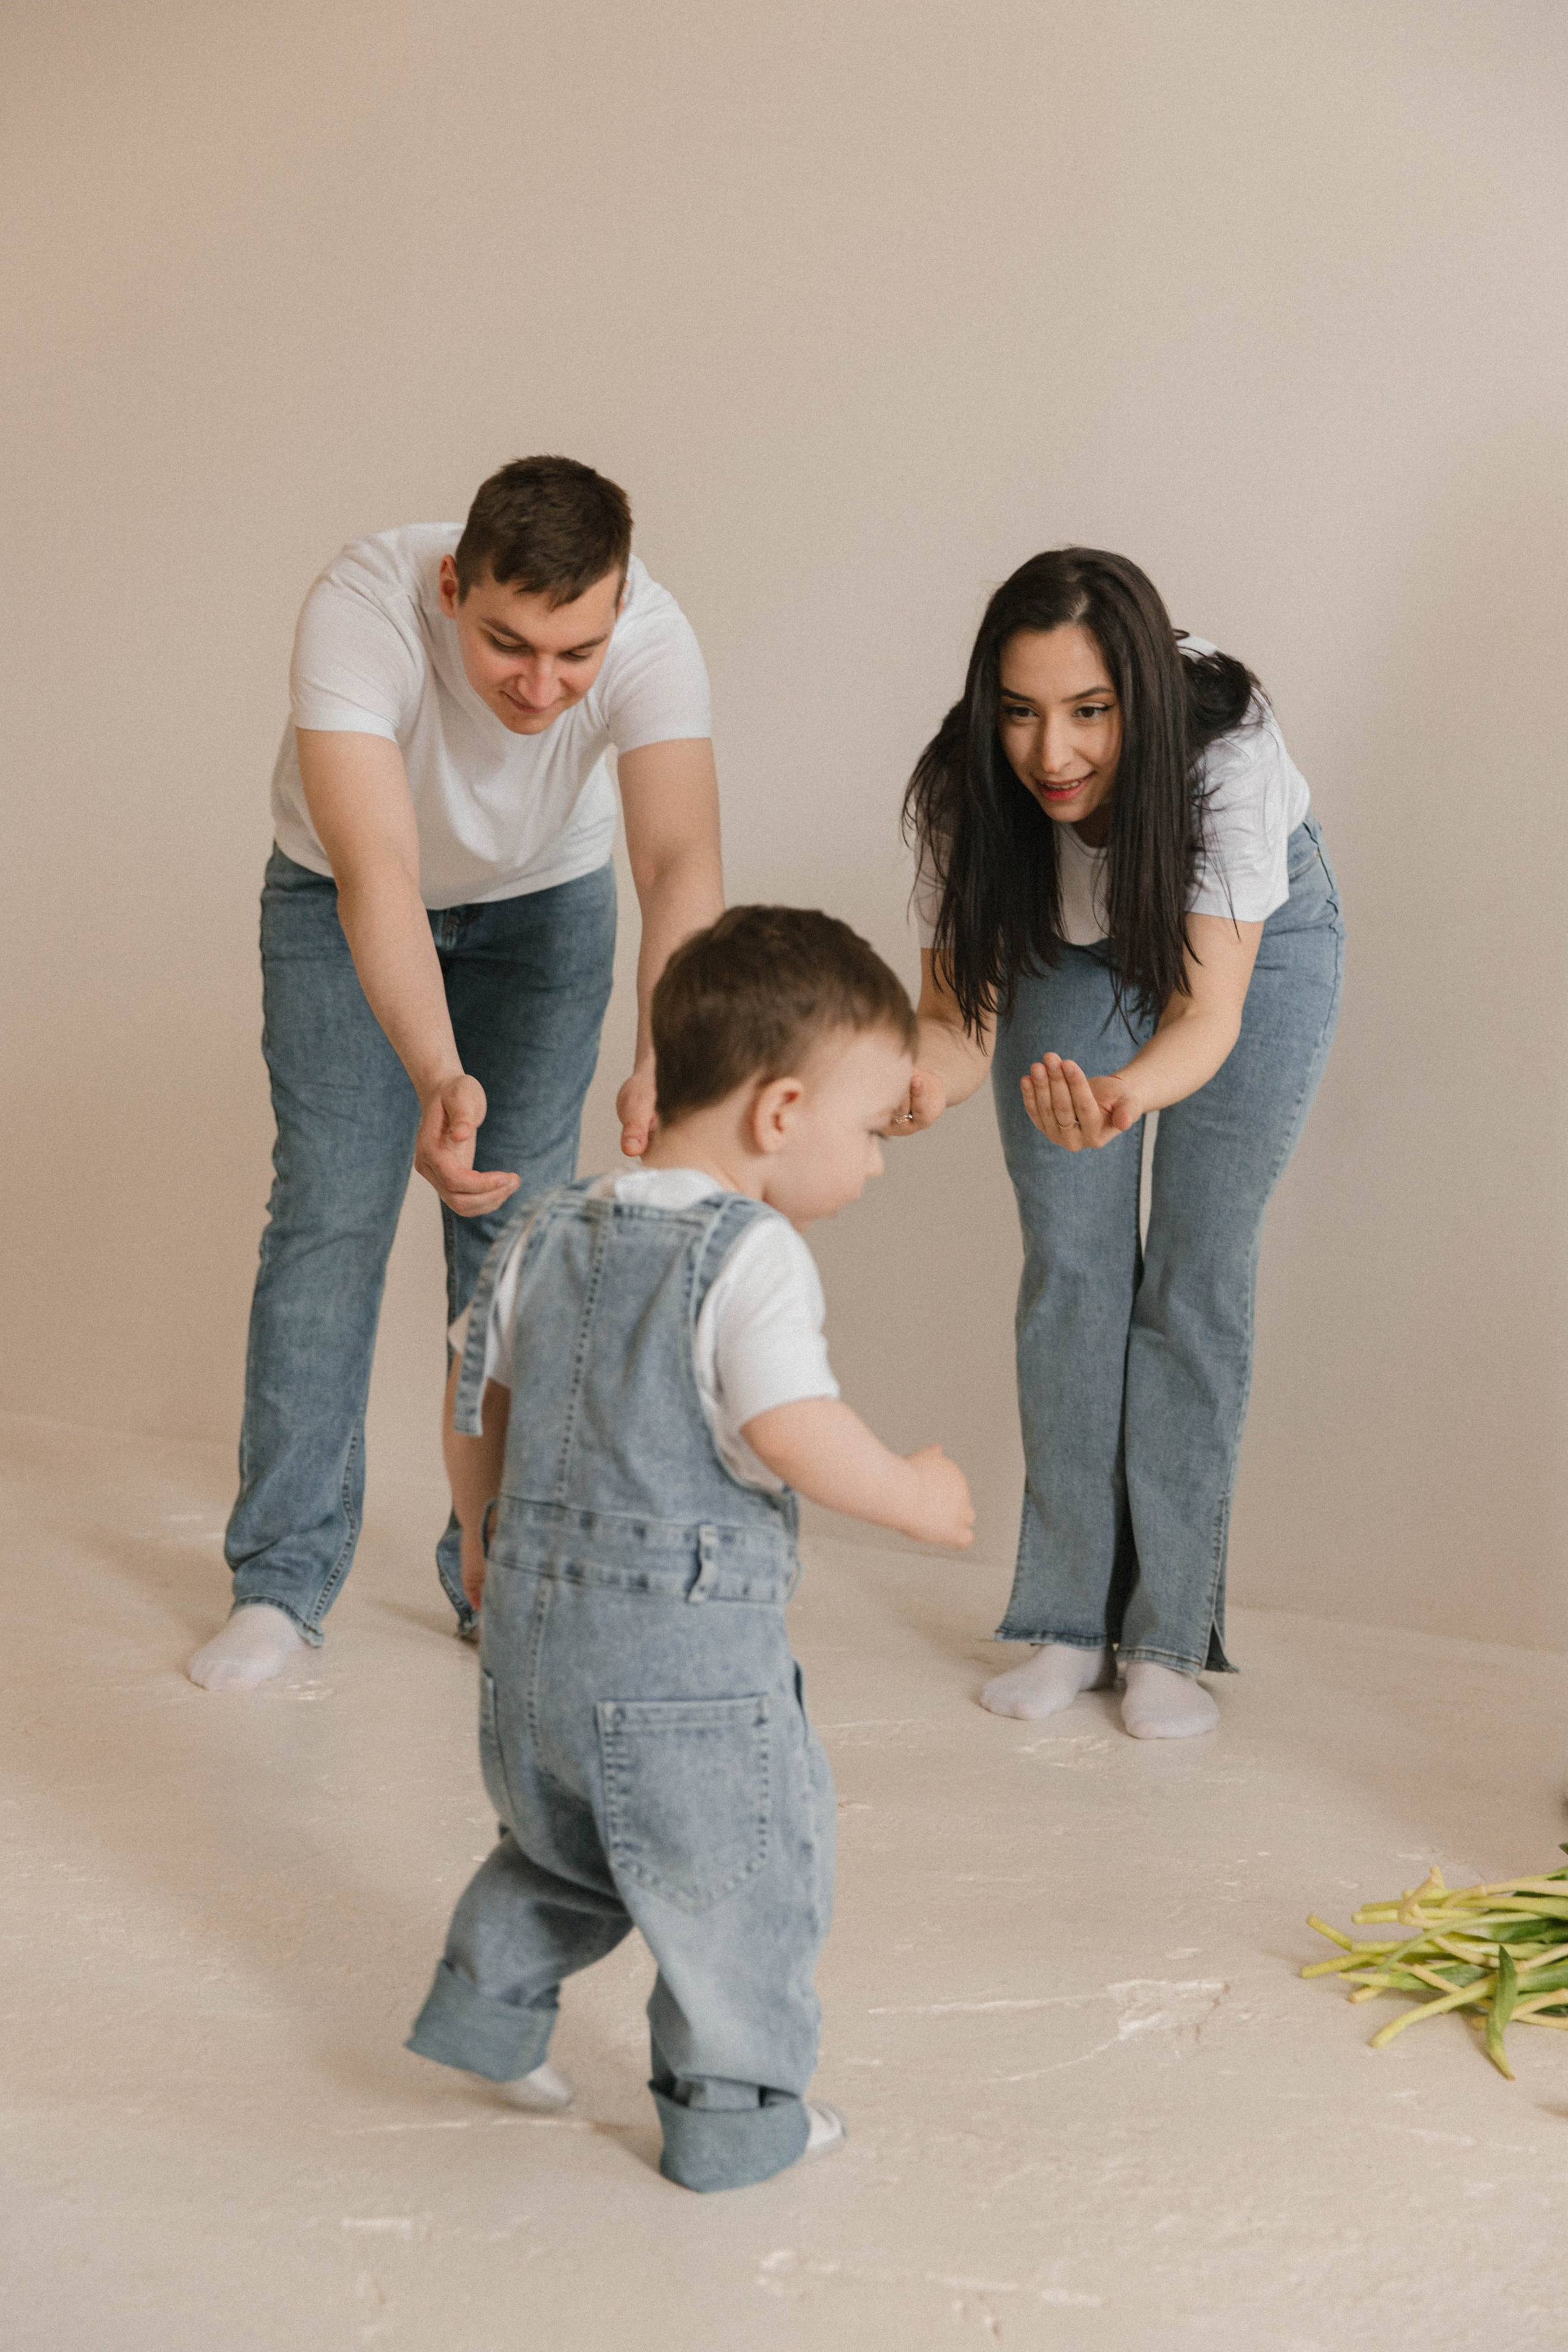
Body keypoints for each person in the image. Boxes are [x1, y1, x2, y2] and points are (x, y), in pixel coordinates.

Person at [405, 907, 974, 2192]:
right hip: (678, 1672)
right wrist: (908, 1496)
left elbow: (471, 1395)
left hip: (532, 1651)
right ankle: (732, 2122)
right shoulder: (751, 1250)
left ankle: (486, 2014)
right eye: (873, 1132)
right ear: (778, 1114)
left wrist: (485, 1539)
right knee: (740, 1880)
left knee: (563, 1846)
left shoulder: (542, 1228)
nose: (877, 1166)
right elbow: (789, 1425)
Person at [189, 457, 724, 1692]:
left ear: (616, 608)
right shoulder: (362, 604)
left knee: (518, 1242)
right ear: (451, 587)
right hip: (342, 902)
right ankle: (279, 1582)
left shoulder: (651, 631)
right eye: (507, 645)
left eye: (574, 654)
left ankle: (504, 1581)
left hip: (545, 911)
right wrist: (436, 1070)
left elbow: (680, 863)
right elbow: (377, 872)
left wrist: (667, 1054)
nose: (542, 685)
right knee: (331, 1216)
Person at [898, 548, 1343, 1740]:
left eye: (1089, 712)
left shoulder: (1227, 757)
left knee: (1194, 1272)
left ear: (1139, 694)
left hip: (1251, 950)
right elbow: (951, 1024)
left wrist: (1120, 1095)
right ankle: (1062, 1622)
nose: (1052, 754)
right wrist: (905, 1088)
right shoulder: (964, 785)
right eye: (1022, 713)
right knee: (1072, 1272)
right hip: (1068, 946)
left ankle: (1161, 1643)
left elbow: (1203, 1019)